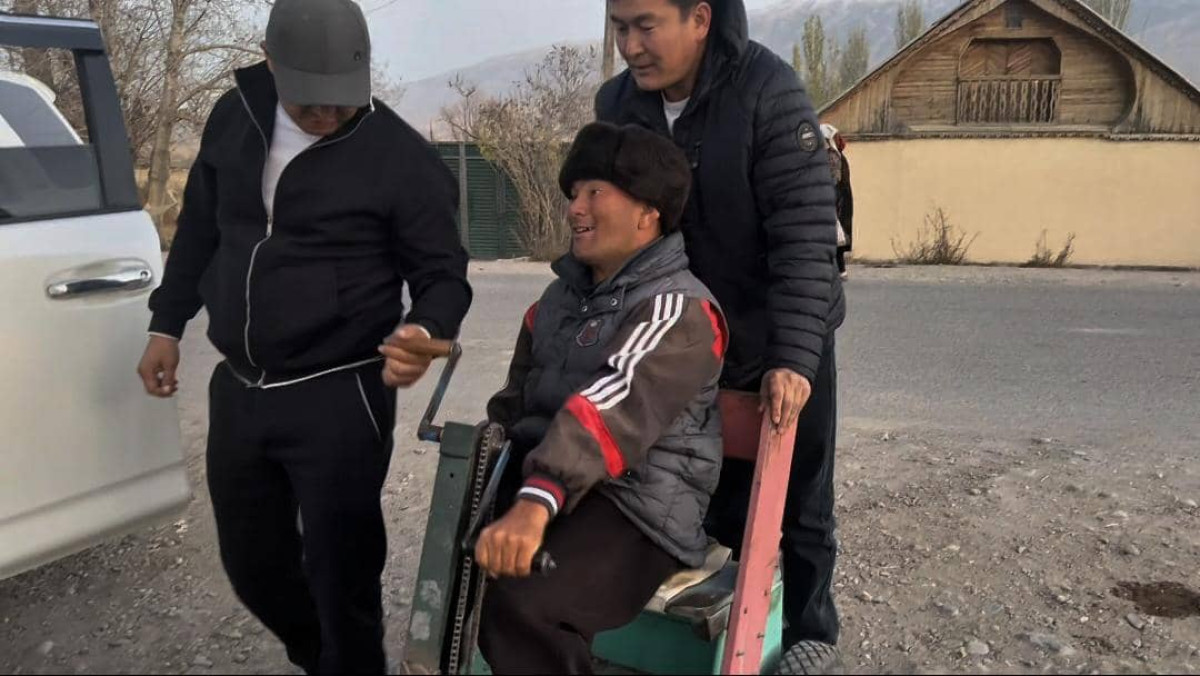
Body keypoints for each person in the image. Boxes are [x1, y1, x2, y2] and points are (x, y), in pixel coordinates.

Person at [135, 0, 472, 672]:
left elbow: (444, 275)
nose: (325, 114)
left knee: (343, 574)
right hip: (241, 388)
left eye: (341, 100)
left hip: (339, 392)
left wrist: (424, 328)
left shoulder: (400, 158)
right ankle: (323, 659)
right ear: (269, 63)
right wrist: (166, 323)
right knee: (252, 565)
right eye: (308, 100)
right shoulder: (234, 118)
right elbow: (199, 228)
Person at [597, 0, 847, 666]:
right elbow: (611, 235)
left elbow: (804, 240)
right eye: (620, 28)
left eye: (646, 26)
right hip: (686, 344)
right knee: (697, 494)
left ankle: (808, 638)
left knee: (798, 503)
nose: (631, 45)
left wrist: (793, 358)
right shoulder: (617, 107)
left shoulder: (768, 94)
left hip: (779, 336)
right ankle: (710, 643)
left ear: (700, 19)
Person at [474, 122, 729, 675]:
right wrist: (481, 468)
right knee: (457, 570)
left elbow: (615, 406)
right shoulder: (556, 300)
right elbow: (518, 401)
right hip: (562, 487)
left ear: (648, 212)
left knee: (524, 608)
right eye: (574, 193)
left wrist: (536, 498)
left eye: (595, 191)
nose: (575, 208)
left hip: (639, 506)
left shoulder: (679, 309)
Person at [822, 123, 854, 280]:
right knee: (835, 236)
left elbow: (833, 179)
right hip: (838, 198)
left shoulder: (832, 155)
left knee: (835, 235)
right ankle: (838, 270)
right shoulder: (836, 154)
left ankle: (839, 270)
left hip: (836, 199)